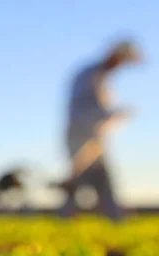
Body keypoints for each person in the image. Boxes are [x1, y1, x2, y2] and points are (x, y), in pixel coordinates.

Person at [57, 40, 141, 221]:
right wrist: (115, 114)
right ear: (115, 56)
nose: (121, 66)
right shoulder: (90, 76)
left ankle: (112, 218)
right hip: (81, 138)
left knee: (97, 182)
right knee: (82, 182)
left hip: (94, 141)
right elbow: (85, 110)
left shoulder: (101, 77)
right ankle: (69, 219)